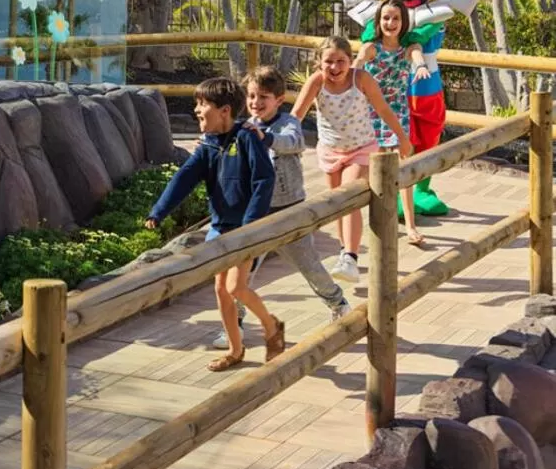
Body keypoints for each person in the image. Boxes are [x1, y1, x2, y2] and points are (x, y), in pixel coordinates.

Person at [145, 77, 285, 371]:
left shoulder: (247, 137)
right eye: (196, 103)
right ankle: (236, 350)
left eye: (202, 104)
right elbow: (184, 178)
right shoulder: (208, 146)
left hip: (246, 230)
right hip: (220, 227)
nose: (197, 110)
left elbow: (264, 180)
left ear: (224, 110)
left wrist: (251, 225)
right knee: (221, 289)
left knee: (236, 286)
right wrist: (159, 211)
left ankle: (271, 326)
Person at [206, 67, 350, 350]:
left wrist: (265, 137)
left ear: (279, 100)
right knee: (240, 274)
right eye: (251, 96)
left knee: (308, 263)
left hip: (289, 212)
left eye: (263, 97)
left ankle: (337, 303)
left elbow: (292, 144)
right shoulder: (244, 127)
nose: (256, 102)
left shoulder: (289, 124)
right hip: (255, 214)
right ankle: (234, 324)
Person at [291, 36, 414, 283]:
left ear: (350, 61)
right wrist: (277, 141)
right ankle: (343, 252)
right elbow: (296, 115)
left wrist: (402, 138)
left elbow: (383, 109)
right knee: (338, 204)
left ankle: (351, 256)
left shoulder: (362, 79)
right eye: (329, 62)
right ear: (319, 63)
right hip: (330, 150)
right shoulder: (317, 82)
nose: (335, 68)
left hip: (361, 148)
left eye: (341, 61)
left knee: (349, 196)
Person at [355, 0, 431, 246]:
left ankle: (410, 225)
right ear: (378, 21)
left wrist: (420, 66)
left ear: (403, 22)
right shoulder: (371, 48)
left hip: (397, 113)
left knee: (402, 167)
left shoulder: (408, 48)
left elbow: (417, 55)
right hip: (370, 113)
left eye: (396, 18)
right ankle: (372, 223)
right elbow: (357, 63)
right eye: (386, 18)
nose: (390, 23)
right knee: (370, 169)